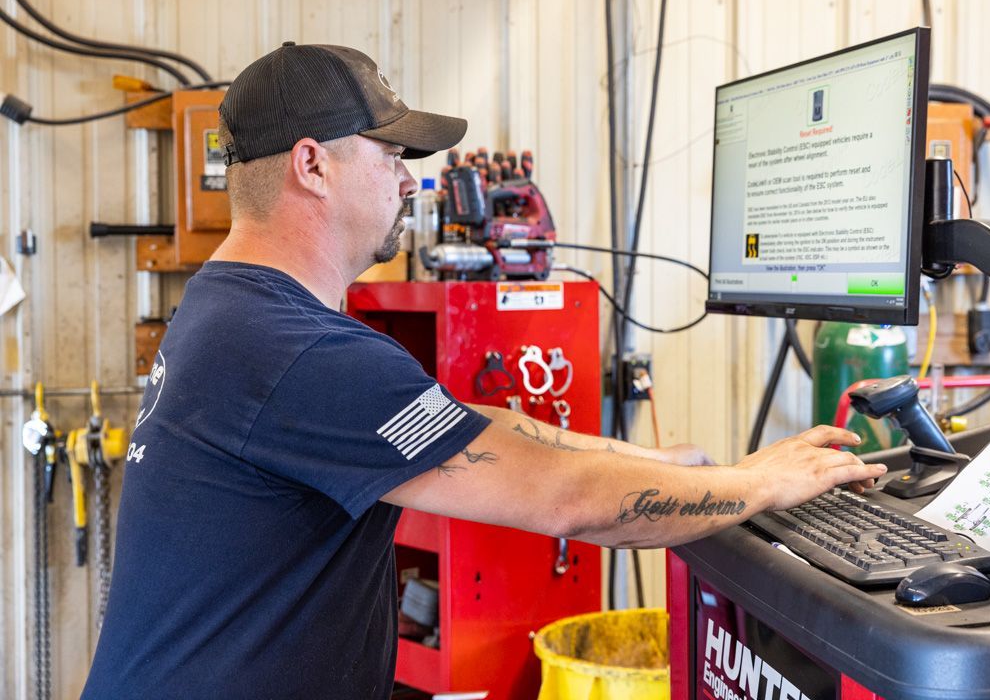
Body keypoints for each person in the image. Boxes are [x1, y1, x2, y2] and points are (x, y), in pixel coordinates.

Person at [82, 42, 886, 700]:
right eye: (391, 153)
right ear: (311, 165)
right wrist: (760, 485)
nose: (408, 179)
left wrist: (648, 459)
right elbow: (569, 505)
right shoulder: (295, 349)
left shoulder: (232, 309)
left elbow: (467, 426)